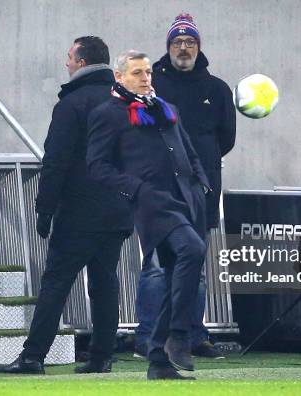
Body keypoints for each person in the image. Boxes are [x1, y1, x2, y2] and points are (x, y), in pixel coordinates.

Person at [0, 36, 132, 375]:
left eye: (70, 58)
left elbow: (56, 160)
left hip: (79, 211)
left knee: (56, 282)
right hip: (117, 209)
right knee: (104, 282)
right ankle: (101, 357)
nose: (66, 63)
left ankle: (32, 357)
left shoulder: (72, 104)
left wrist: (45, 208)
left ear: (82, 63)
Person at [87, 50, 210, 380]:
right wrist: (136, 190)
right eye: (137, 73)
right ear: (120, 77)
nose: (145, 78)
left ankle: (158, 358)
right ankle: (179, 337)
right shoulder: (108, 113)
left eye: (147, 73)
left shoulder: (165, 108)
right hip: (152, 204)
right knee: (192, 251)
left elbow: (187, 147)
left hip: (187, 199)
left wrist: (201, 182)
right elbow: (97, 167)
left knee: (175, 277)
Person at [134, 12, 236, 359]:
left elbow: (226, 139)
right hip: (160, 191)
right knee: (157, 269)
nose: (183, 47)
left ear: (198, 47)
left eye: (189, 42)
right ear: (168, 47)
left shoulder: (218, 89)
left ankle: (194, 337)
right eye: (177, 42)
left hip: (201, 191)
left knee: (197, 268)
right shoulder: (153, 86)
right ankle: (149, 337)